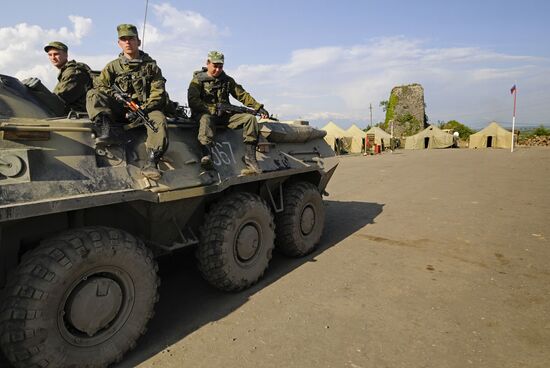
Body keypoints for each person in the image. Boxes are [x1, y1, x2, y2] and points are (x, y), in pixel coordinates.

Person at [86, 24, 168, 180]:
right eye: (123, 39)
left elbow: (158, 93)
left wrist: (144, 109)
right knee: (93, 94)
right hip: (120, 108)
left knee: (158, 120)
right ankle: (105, 128)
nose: (128, 42)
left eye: (131, 39)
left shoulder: (152, 67)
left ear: (139, 41)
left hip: (144, 109)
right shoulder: (113, 67)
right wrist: (116, 96)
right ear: (119, 43)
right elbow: (100, 85)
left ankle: (152, 162)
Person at [187, 51, 268, 174]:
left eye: (220, 67)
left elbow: (242, 95)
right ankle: (206, 155)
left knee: (250, 119)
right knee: (206, 119)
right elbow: (193, 101)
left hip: (224, 116)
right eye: (215, 66)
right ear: (208, 63)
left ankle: (250, 157)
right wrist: (212, 109)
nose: (218, 70)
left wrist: (257, 107)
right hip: (205, 114)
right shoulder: (198, 80)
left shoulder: (227, 80)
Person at [43, 41, 93, 113]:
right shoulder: (66, 72)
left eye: (56, 54)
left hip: (76, 115)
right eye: (50, 55)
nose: (53, 58)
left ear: (66, 55)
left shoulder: (73, 73)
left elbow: (59, 99)